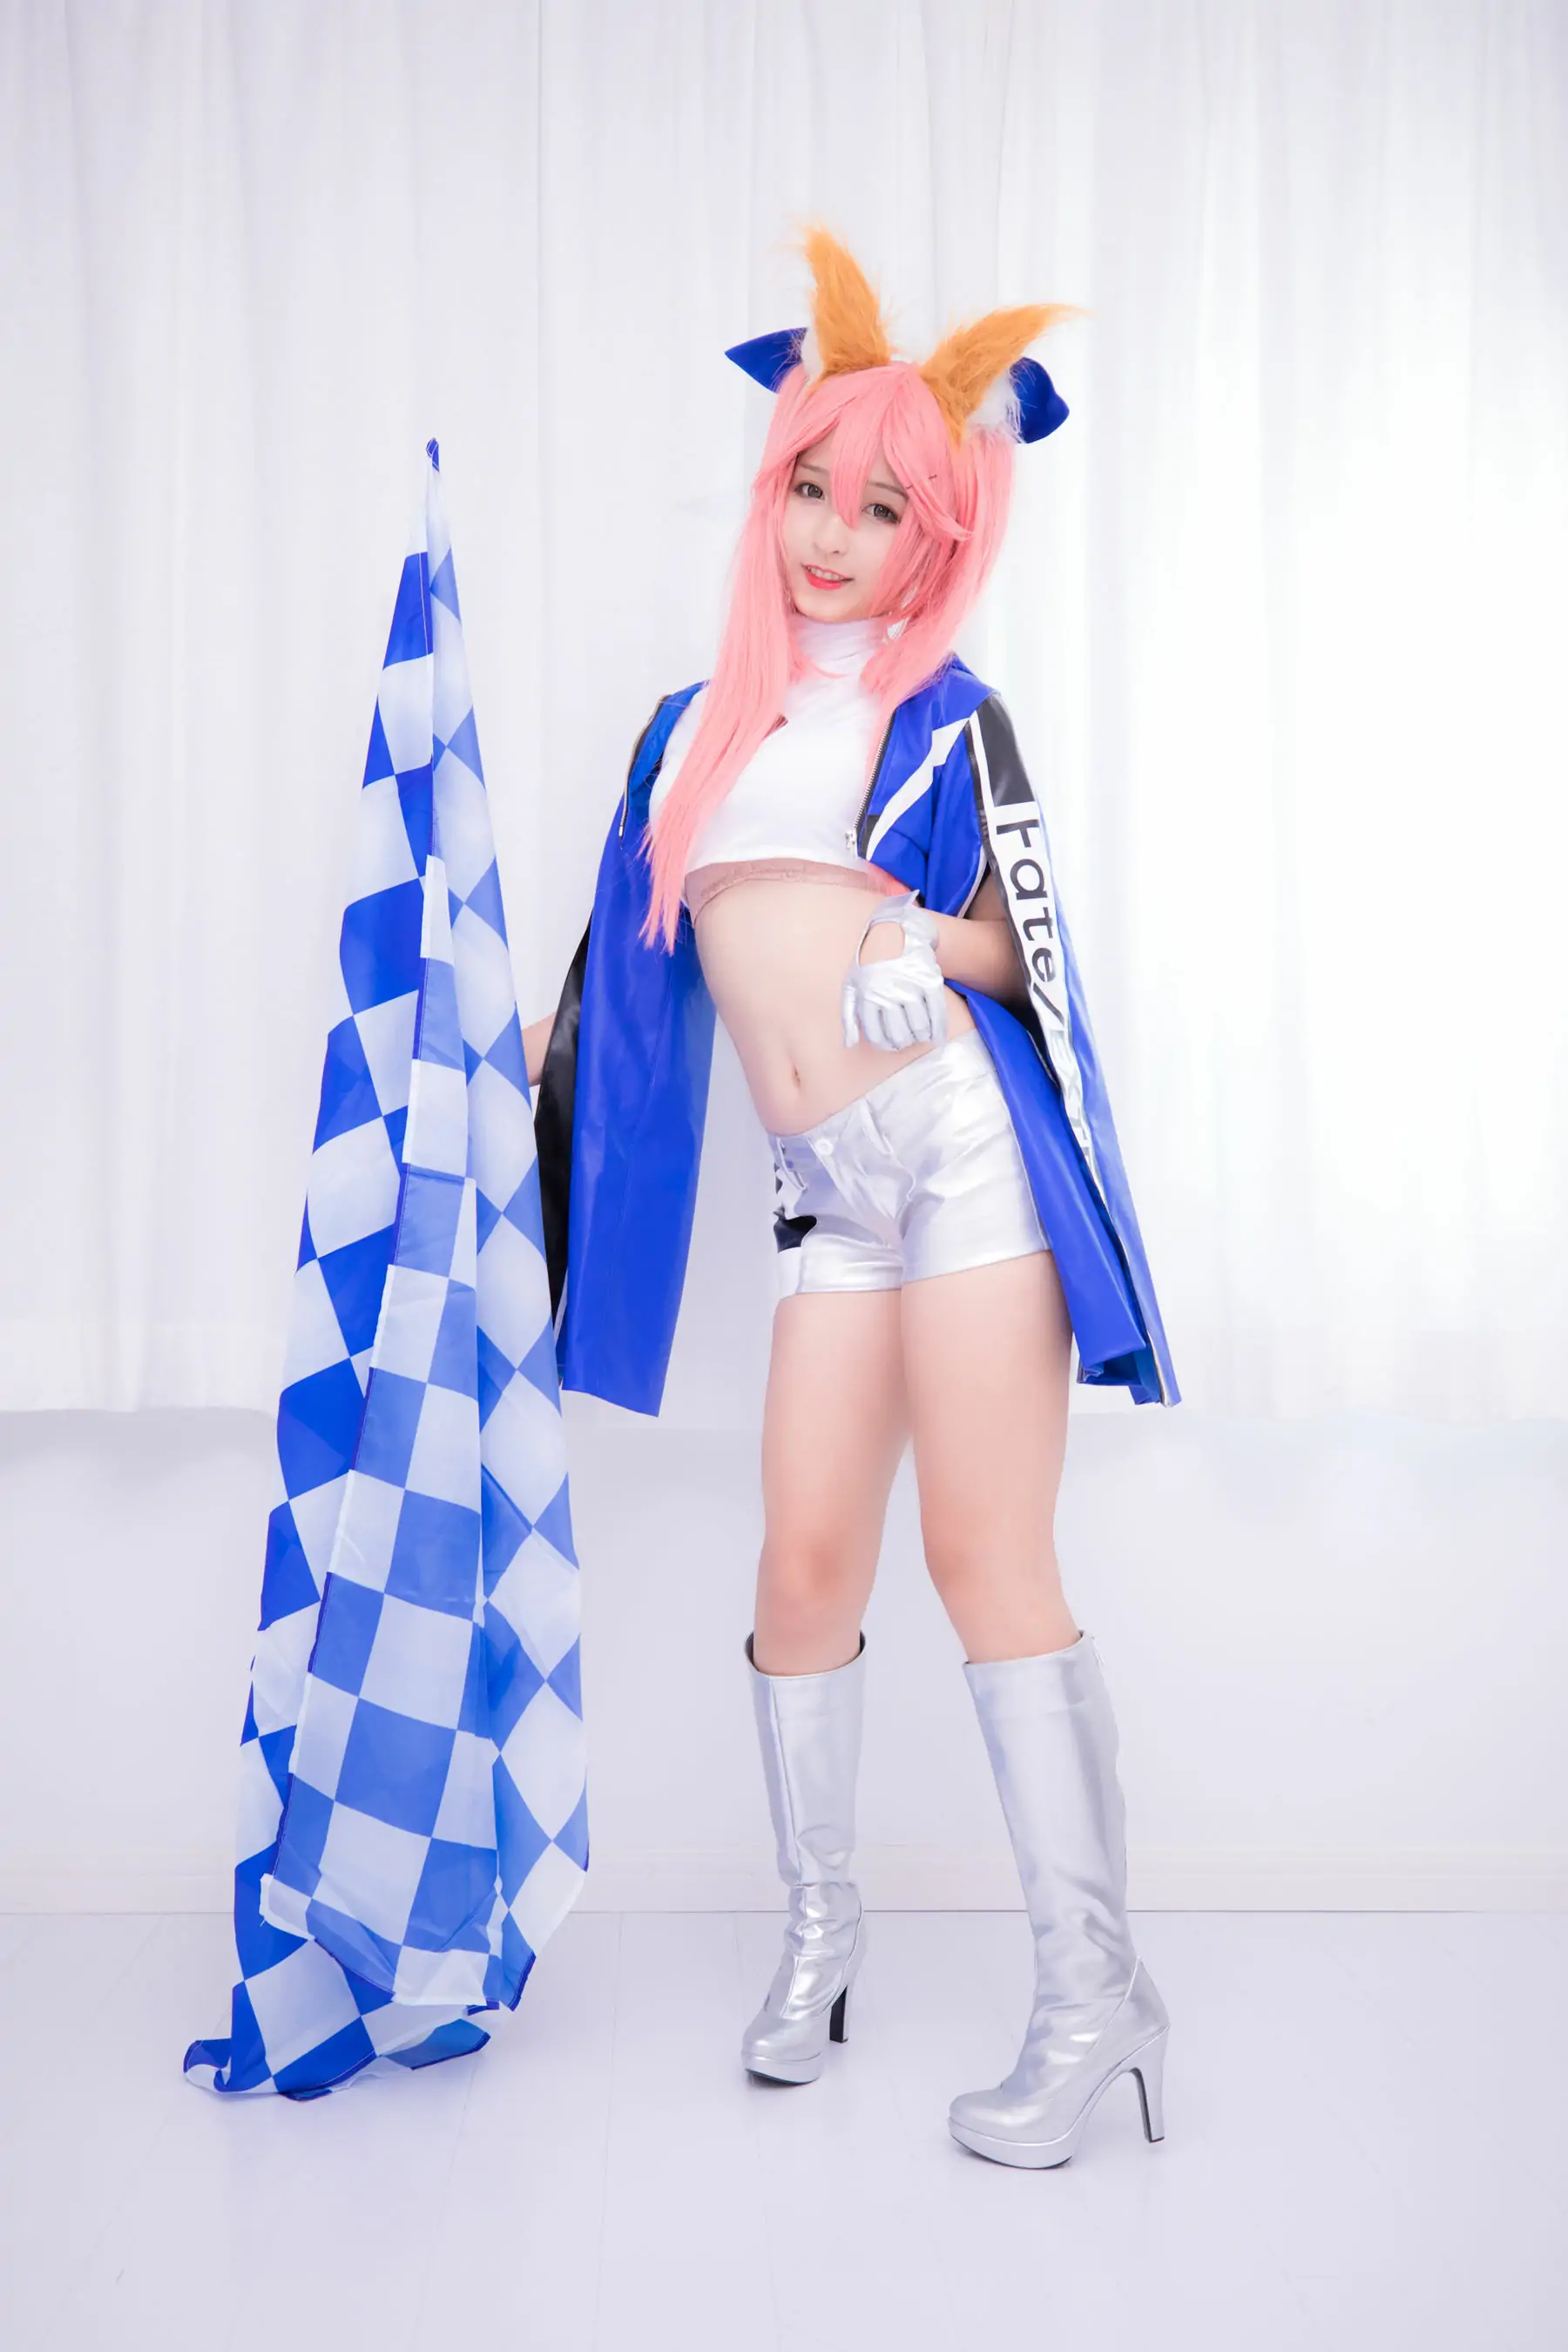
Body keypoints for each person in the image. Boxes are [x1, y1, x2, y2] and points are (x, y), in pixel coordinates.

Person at [522, 230, 1177, 2170]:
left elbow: (1034, 957)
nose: (833, 534)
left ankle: (1096, 1997)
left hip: (958, 1151)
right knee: (803, 1570)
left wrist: (927, 945)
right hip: (828, 1195)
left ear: (938, 537)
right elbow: (622, 978)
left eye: (884, 507)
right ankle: (821, 1943)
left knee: (985, 1558)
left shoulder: (953, 713)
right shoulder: (690, 728)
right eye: (813, 486)